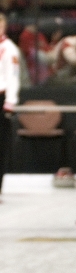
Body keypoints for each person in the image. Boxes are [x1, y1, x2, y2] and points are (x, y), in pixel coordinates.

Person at [0, 13, 20, 194]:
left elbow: (12, 77)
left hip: (1, 98)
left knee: (0, 145)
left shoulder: (9, 49)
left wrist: (10, 102)